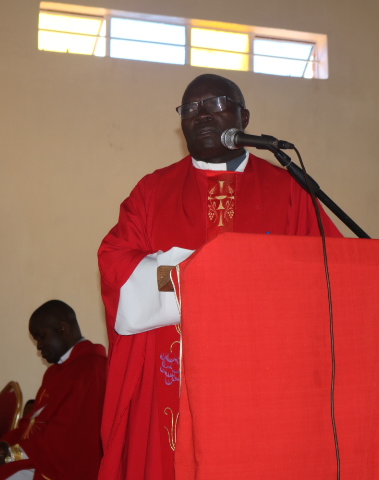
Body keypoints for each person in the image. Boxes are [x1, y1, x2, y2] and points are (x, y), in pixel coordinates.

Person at [97, 73, 343, 480]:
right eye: (190, 109)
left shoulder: (289, 190)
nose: (202, 115)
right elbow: (117, 267)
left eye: (216, 104)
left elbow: (327, 274)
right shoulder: (152, 192)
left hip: (263, 375)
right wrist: (189, 277)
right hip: (172, 379)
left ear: (244, 116)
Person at [0, 300, 107, 480]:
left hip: (68, 466)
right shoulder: (55, 372)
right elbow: (33, 423)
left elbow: (65, 436)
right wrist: (4, 445)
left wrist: (12, 454)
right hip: (41, 455)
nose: (39, 346)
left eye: (42, 337)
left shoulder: (91, 370)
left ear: (62, 329)